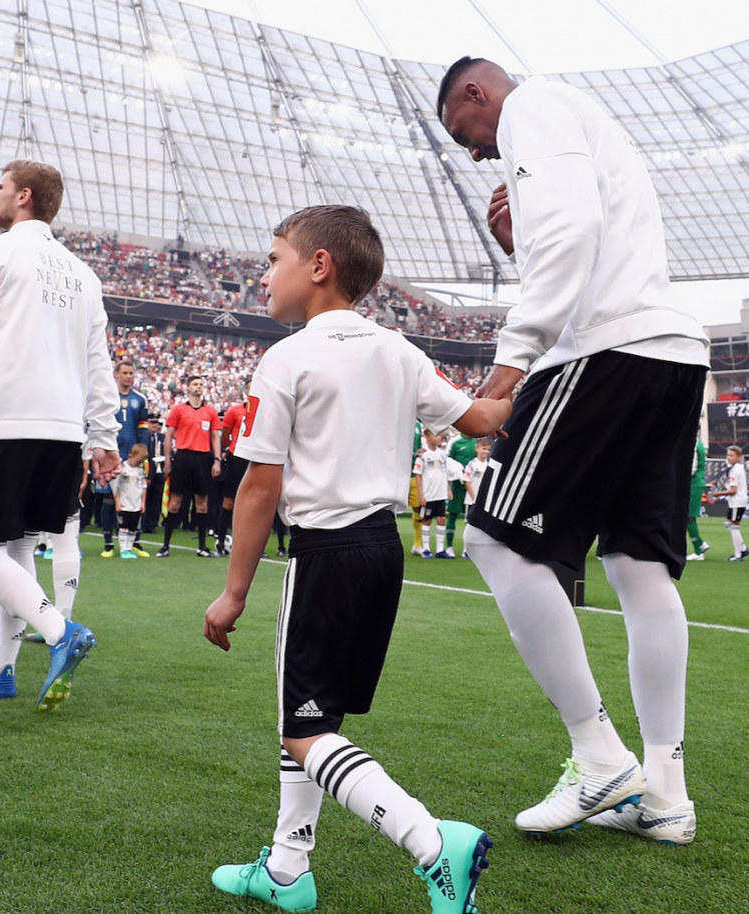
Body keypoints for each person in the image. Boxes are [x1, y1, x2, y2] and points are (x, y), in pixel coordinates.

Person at [202, 204, 508, 913]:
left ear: (319, 266)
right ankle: (287, 869)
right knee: (312, 717)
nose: (264, 272)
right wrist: (527, 366)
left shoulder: (287, 357)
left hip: (325, 553)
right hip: (381, 551)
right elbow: (482, 419)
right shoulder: (399, 350)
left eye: (274, 257)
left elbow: (259, 486)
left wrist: (234, 591)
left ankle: (433, 842)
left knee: (303, 729)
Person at [440, 57, 711, 842]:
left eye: (469, 136)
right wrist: (522, 247)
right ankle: (666, 792)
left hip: (602, 350)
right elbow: (581, 236)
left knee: (493, 538)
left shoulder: (536, 105)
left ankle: (599, 756)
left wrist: (509, 365)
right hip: (669, 351)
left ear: (477, 93)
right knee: (637, 565)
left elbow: (573, 233)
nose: (477, 155)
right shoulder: (580, 122)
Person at [0, 159, 116, 711]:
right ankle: (2, 669)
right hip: (62, 431)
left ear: (22, 196)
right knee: (19, 546)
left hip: (6, 424)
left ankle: (61, 632)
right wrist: (101, 434)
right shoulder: (83, 274)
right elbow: (99, 364)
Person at [161, 375, 221, 558]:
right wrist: (167, 459)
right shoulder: (179, 410)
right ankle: (165, 546)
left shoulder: (210, 411)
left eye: (201, 384)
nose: (198, 387)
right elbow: (169, 436)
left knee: (202, 503)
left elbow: (215, 437)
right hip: (183, 456)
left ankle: (202, 546)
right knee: (175, 503)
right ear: (187, 388)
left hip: (203, 458)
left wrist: (217, 459)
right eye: (195, 384)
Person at [412, 429, 457, 558]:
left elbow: (444, 473)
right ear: (427, 437)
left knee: (442, 519)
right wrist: (421, 495)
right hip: (428, 494)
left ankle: (440, 550)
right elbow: (418, 476)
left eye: (441, 435)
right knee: (426, 520)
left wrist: (448, 489)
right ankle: (426, 549)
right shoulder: (422, 456)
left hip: (440, 493)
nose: (439, 438)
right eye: (436, 435)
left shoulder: (443, 454)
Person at [216, 395, 249, 557]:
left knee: (253, 504)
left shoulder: (265, 412)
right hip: (237, 459)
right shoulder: (234, 411)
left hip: (256, 459)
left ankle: (252, 547)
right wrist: (232, 449)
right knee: (229, 502)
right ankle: (221, 542)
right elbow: (225, 435)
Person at [442, 431, 479, 558]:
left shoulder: (477, 441)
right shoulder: (455, 442)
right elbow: (446, 461)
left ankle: (467, 549)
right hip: (457, 484)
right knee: (453, 514)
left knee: (472, 518)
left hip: (474, 485)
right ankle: (450, 546)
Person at [709, 445, 748, 561]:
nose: (729, 457)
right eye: (728, 455)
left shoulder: (734, 471)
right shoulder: (738, 468)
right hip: (737, 501)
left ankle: (738, 554)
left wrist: (717, 494)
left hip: (737, 501)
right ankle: (743, 548)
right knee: (729, 523)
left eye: (731, 455)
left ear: (738, 457)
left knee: (734, 526)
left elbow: (733, 490)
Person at [112, 443, 149, 558]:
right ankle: (123, 549)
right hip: (125, 503)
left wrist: (143, 502)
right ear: (130, 456)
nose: (139, 463)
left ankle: (129, 548)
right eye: (138, 461)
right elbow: (115, 486)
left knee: (134, 528)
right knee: (124, 527)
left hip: (136, 505)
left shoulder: (140, 471)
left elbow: (143, 487)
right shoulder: (122, 469)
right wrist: (117, 500)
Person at [684, 437, 711, 560]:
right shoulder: (696, 441)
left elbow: (692, 467)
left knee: (689, 516)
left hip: (693, 483)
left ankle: (698, 552)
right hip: (694, 483)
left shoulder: (693, 442)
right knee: (687, 516)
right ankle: (700, 544)